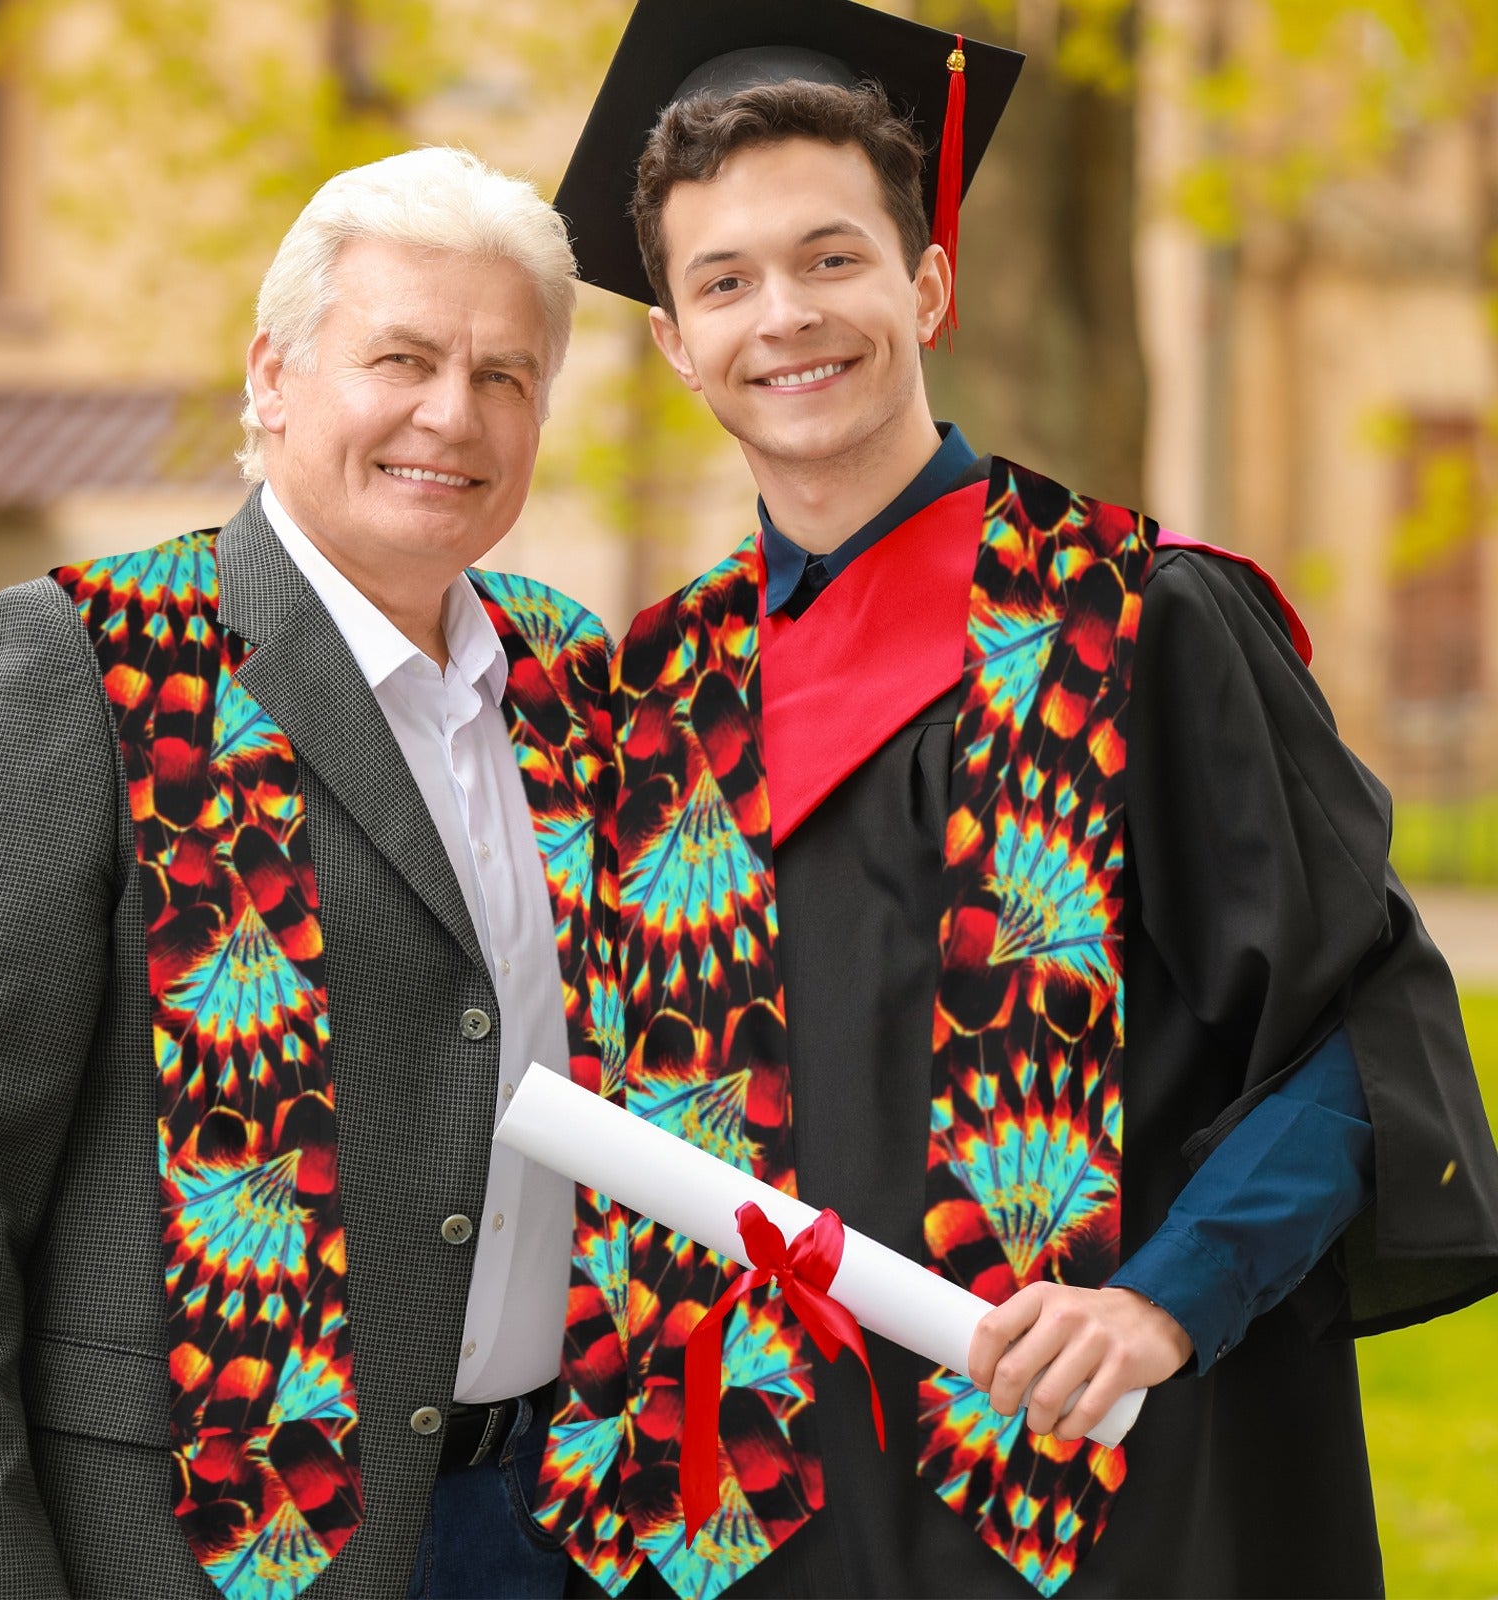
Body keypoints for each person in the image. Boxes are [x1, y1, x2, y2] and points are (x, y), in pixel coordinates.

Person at [531, 3, 1498, 1597]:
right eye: (725, 281)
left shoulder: (1142, 624)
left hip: (1098, 1489)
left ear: (927, 282)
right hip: (755, 1520)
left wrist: (1165, 1300)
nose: (786, 316)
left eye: (832, 259)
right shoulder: (653, 700)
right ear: (675, 341)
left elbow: (1359, 1033)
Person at [0, 145, 616, 1600]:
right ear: (274, 377)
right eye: (401, 357)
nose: (450, 414)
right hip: (198, 1550)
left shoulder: (574, 675)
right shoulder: (89, 663)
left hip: (552, 1529)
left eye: (503, 375)